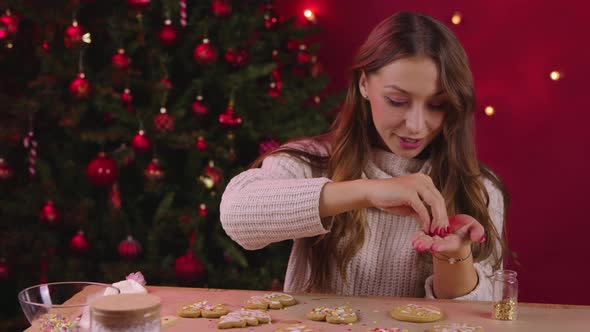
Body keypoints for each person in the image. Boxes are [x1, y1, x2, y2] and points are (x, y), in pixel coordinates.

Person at [220, 11, 509, 300]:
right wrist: (369, 192)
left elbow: (481, 318)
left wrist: (454, 256)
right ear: (363, 85)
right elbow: (236, 215)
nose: (416, 125)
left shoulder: (479, 187)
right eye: (397, 101)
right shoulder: (315, 160)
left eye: (437, 105)